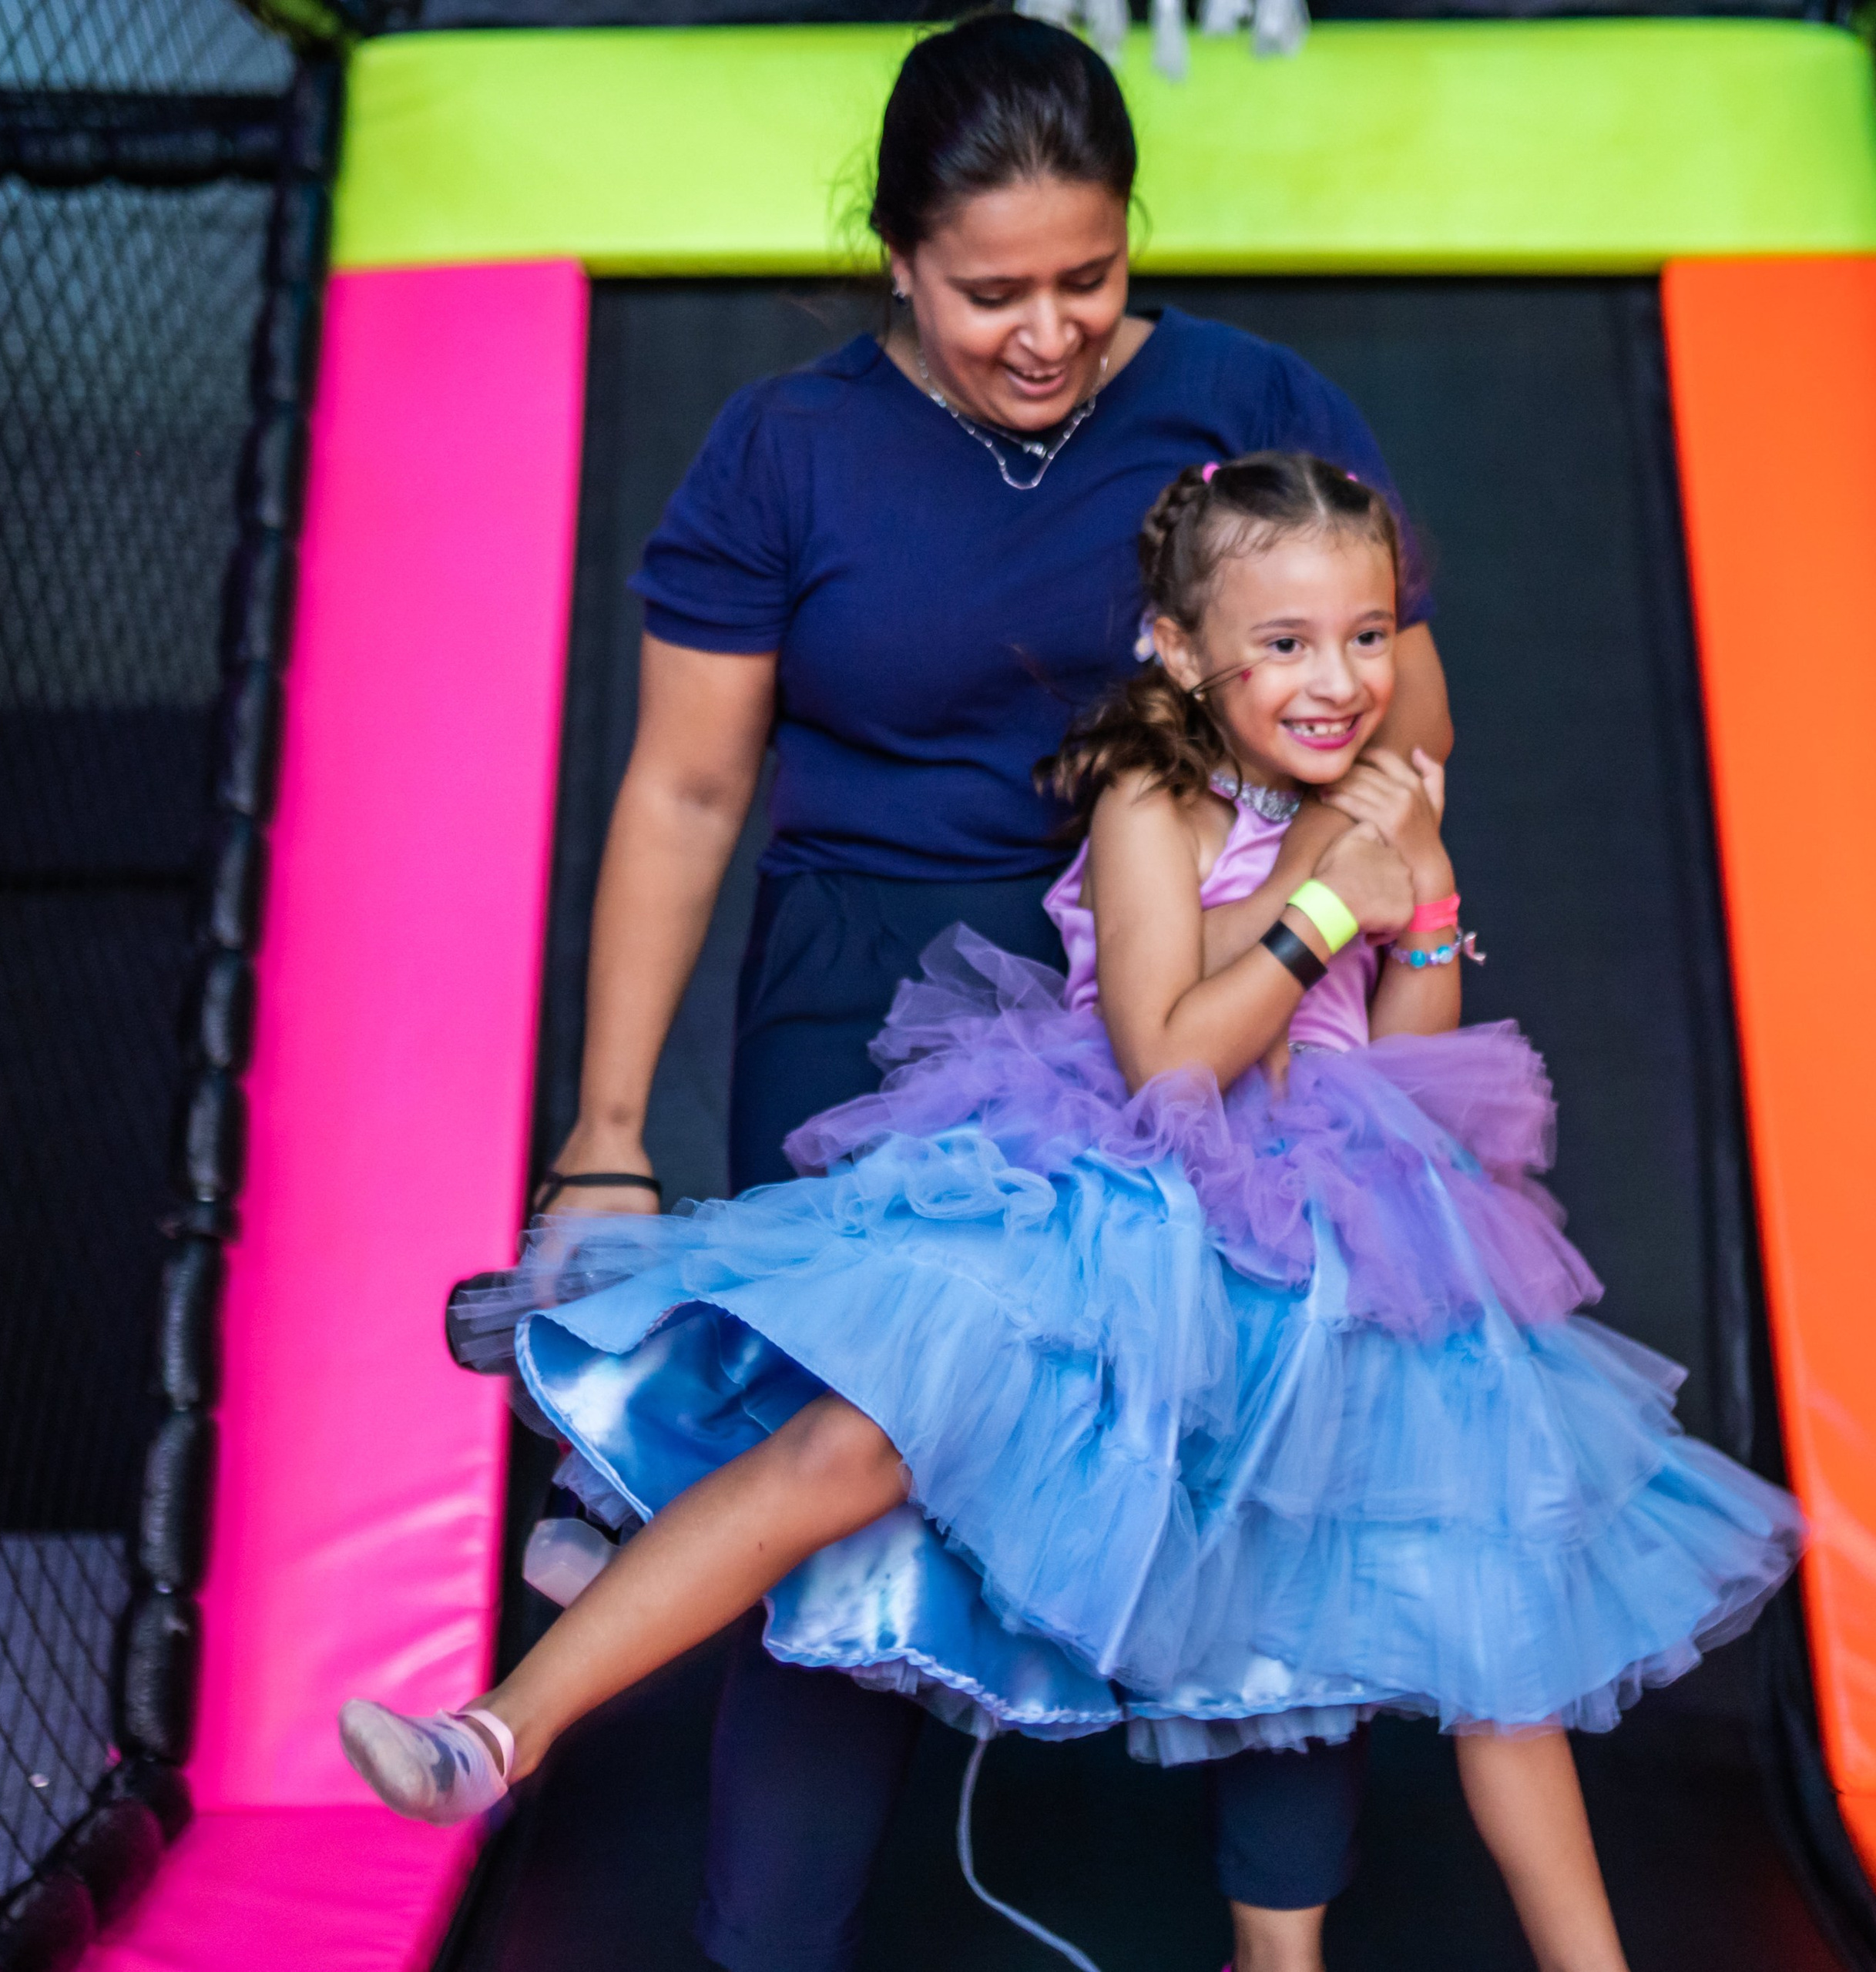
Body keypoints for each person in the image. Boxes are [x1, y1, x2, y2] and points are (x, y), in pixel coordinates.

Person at [344, 453, 1802, 1972]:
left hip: (1333, 1243)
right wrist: (1320, 894)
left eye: (1366, 634)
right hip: (1124, 1204)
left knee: (1460, 1609)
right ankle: (496, 1730)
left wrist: (1414, 892)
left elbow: (1428, 1065)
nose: (1337, 679)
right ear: (1180, 649)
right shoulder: (1150, 796)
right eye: (1286, 643)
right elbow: (1169, 1053)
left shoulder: (1383, 804)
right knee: (854, 1438)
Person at [467, 13, 1451, 1971]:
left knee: (1259, 1450)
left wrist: (1358, 908)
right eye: (990, 288)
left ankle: (1283, 1947)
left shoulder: (1247, 399)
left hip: (1178, 968)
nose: (1045, 327)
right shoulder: (786, 446)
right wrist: (601, 1131)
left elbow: (1392, 709)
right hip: (870, 979)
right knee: (853, 1468)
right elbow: (681, 787)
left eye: (1086, 278)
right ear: (896, 261)